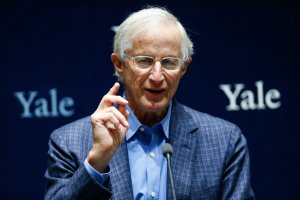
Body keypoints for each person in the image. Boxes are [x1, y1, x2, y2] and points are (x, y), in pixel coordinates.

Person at [44, 6, 255, 200]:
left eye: (169, 63)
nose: (156, 76)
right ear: (119, 64)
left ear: (184, 68)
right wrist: (97, 162)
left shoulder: (224, 141)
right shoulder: (69, 142)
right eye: (144, 61)